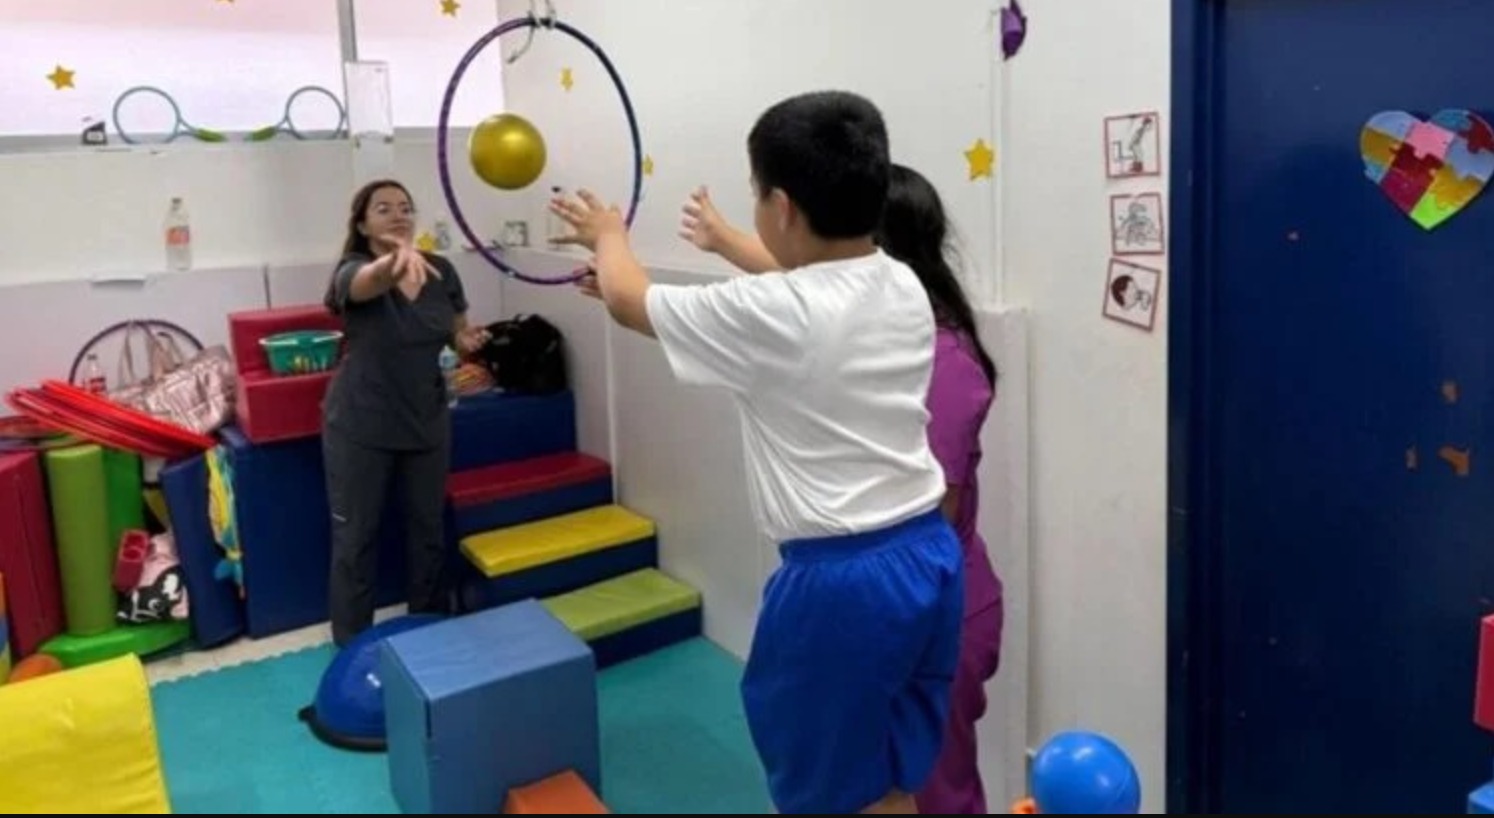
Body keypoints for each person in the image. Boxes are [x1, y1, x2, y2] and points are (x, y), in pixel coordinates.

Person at [549, 90, 963, 815]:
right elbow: (803, 285)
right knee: (891, 777)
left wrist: (608, 235)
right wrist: (723, 243)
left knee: (828, 791)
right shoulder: (898, 281)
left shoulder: (775, 313)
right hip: (928, 558)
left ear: (781, 206)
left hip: (842, 584)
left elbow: (626, 299)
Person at [679, 164, 1005, 813]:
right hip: (900, 601)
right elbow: (805, 290)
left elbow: (932, 513)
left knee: (931, 789)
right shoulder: (882, 320)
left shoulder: (939, 357)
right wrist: (722, 240)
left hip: (928, 605)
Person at [320, 179, 489, 647]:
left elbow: (457, 334)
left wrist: (468, 341)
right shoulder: (352, 270)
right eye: (383, 208)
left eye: (405, 207)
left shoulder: (441, 270)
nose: (398, 214)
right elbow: (368, 284)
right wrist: (395, 262)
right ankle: (352, 646)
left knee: (428, 532)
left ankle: (428, 633)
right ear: (362, 225)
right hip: (361, 424)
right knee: (356, 539)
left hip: (426, 419)